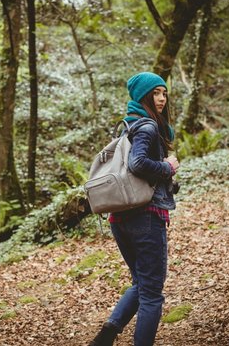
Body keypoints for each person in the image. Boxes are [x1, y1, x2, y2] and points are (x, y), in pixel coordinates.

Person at [89, 72, 179, 346]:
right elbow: (138, 164)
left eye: (164, 93)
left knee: (141, 283)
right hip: (146, 216)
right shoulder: (148, 127)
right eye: (155, 93)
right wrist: (168, 167)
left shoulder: (127, 126)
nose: (162, 98)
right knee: (152, 291)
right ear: (143, 96)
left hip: (120, 218)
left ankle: (107, 334)